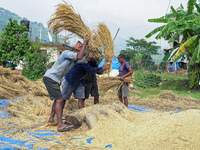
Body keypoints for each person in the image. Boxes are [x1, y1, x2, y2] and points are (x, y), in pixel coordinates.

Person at [43, 35, 90, 132]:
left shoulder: (75, 59)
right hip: (51, 77)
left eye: (81, 45)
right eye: (78, 44)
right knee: (60, 100)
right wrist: (84, 42)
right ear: (75, 45)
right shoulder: (66, 53)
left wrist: (89, 46)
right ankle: (60, 125)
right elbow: (80, 56)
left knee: (57, 100)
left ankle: (51, 120)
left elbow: (86, 59)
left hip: (54, 79)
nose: (79, 44)